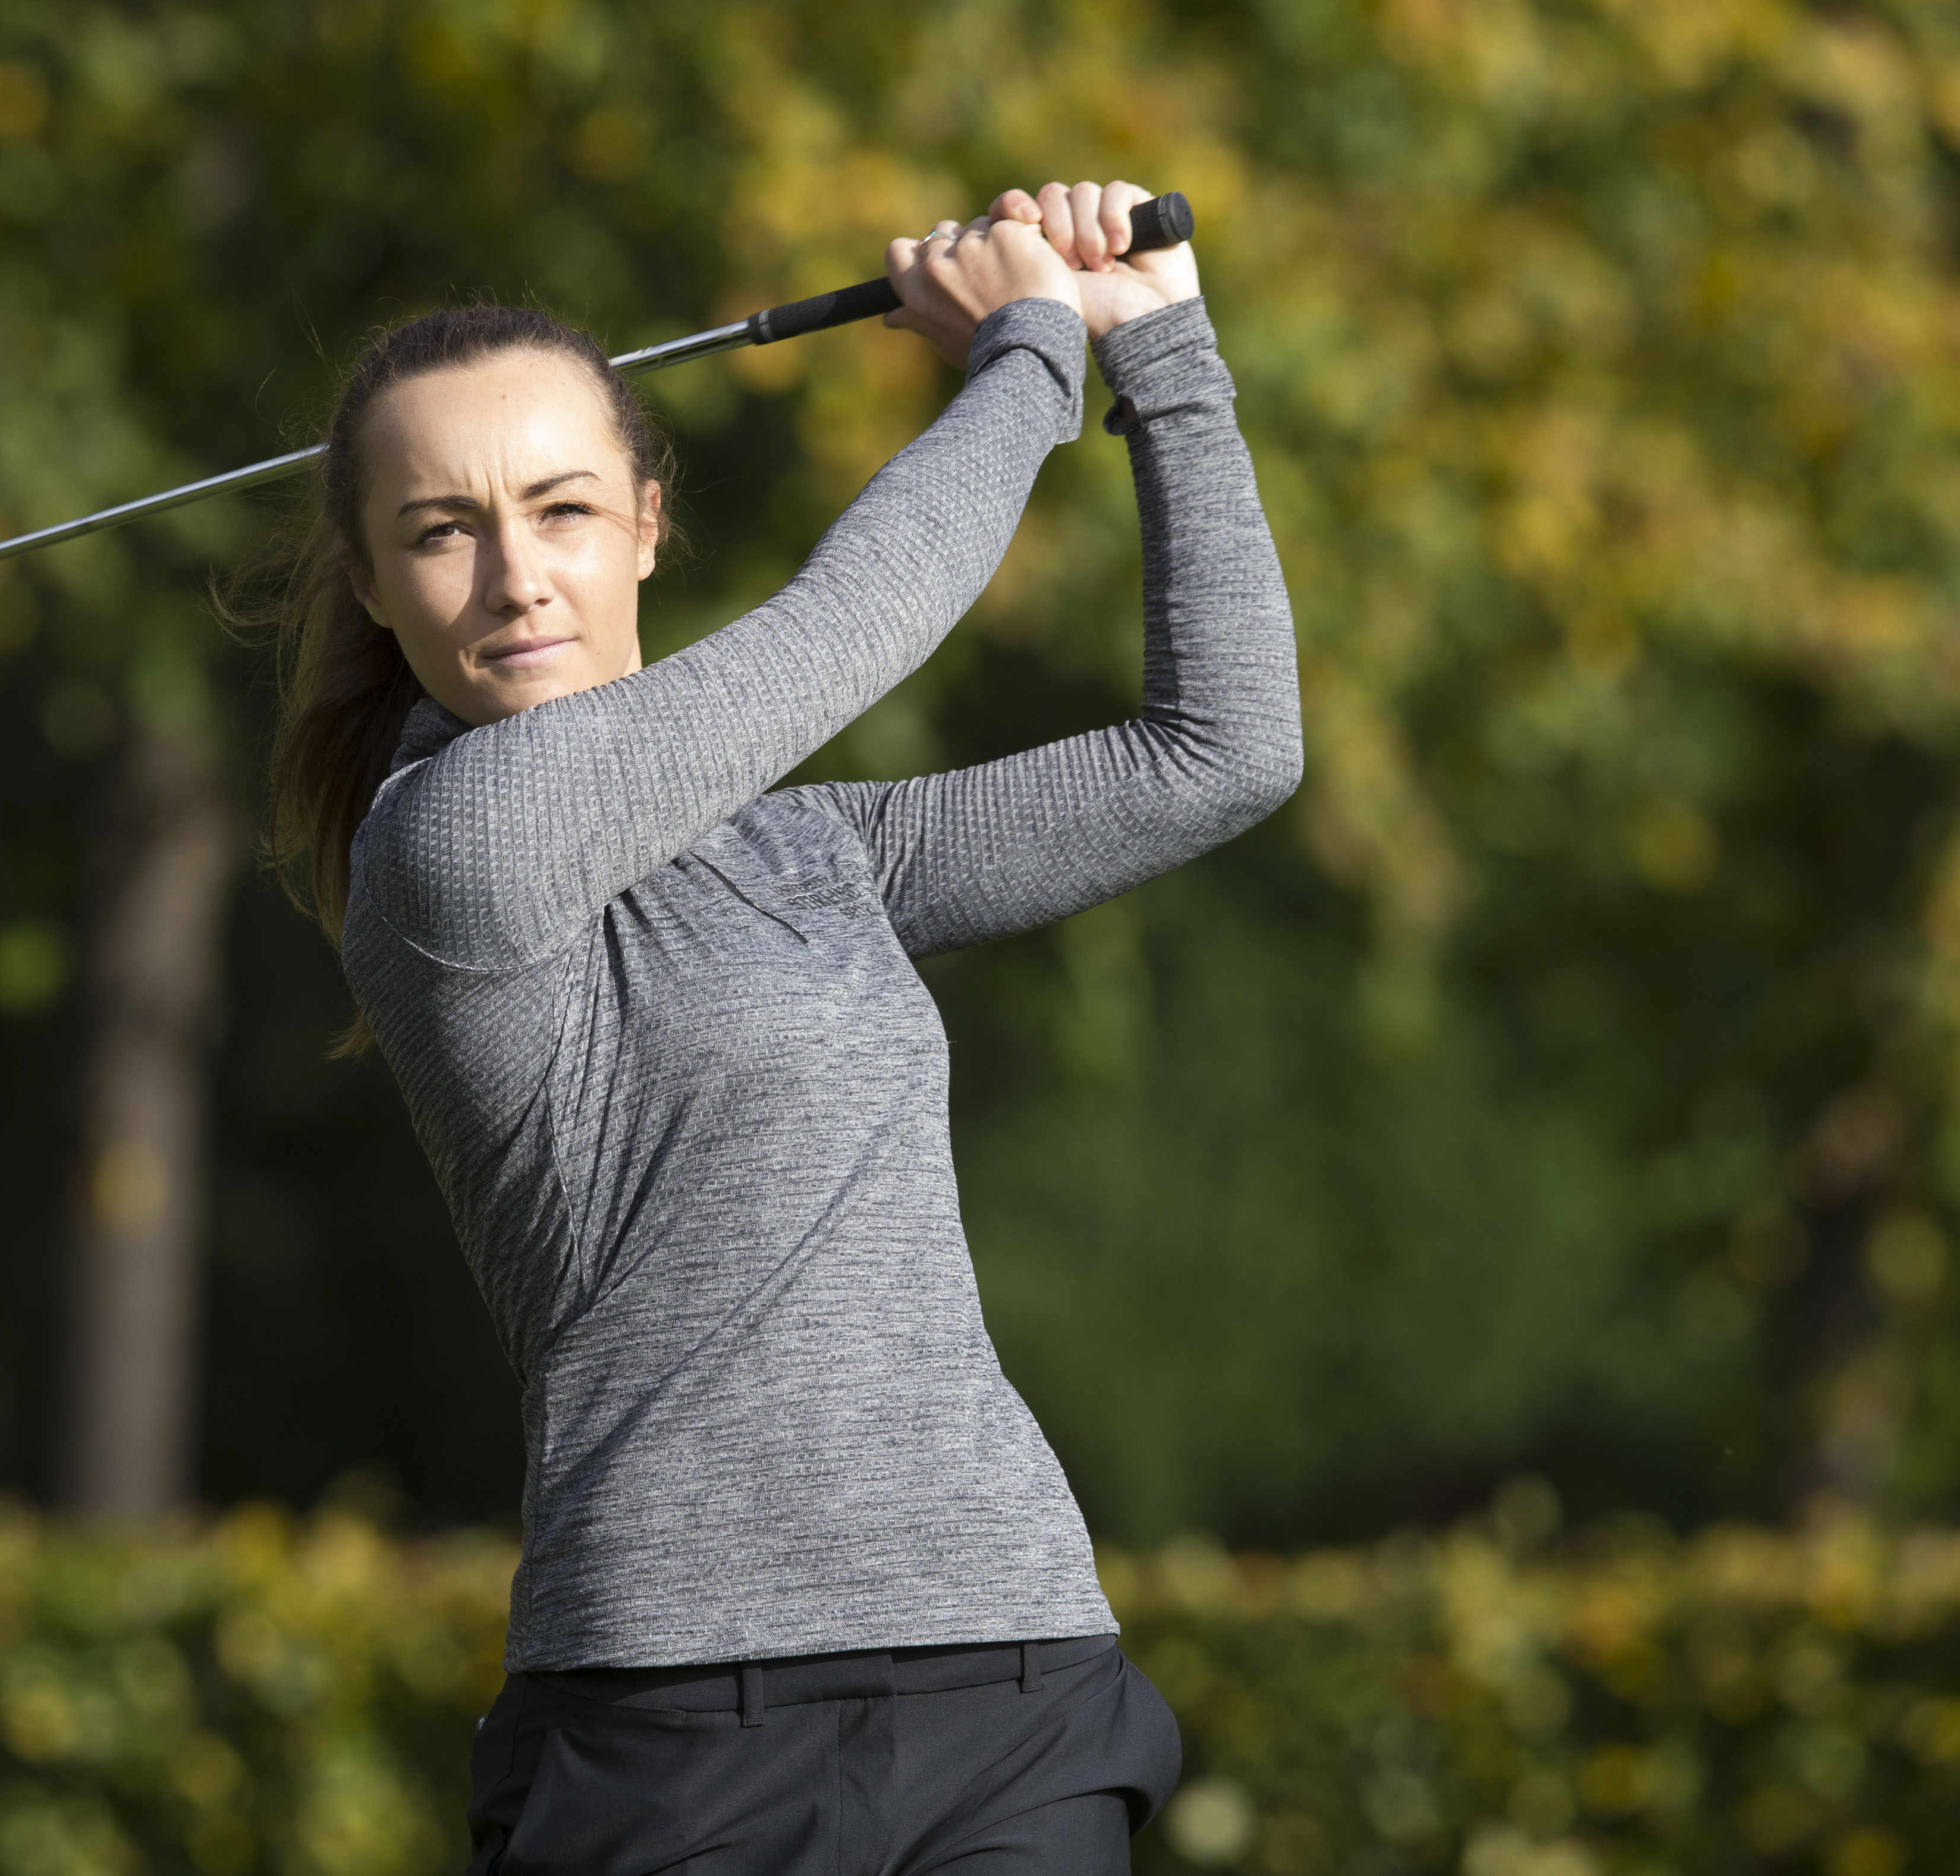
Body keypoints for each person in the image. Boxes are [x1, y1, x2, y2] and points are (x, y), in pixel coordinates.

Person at [250, 177, 1301, 1874]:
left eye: (564, 508)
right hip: (683, 1721)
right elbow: (848, 631)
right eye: (442, 529)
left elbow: (1221, 752)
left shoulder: (815, 851)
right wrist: (1028, 349)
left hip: (1014, 1668)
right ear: (371, 584)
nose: (516, 576)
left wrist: (1163, 346)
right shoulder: (448, 848)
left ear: (648, 522)